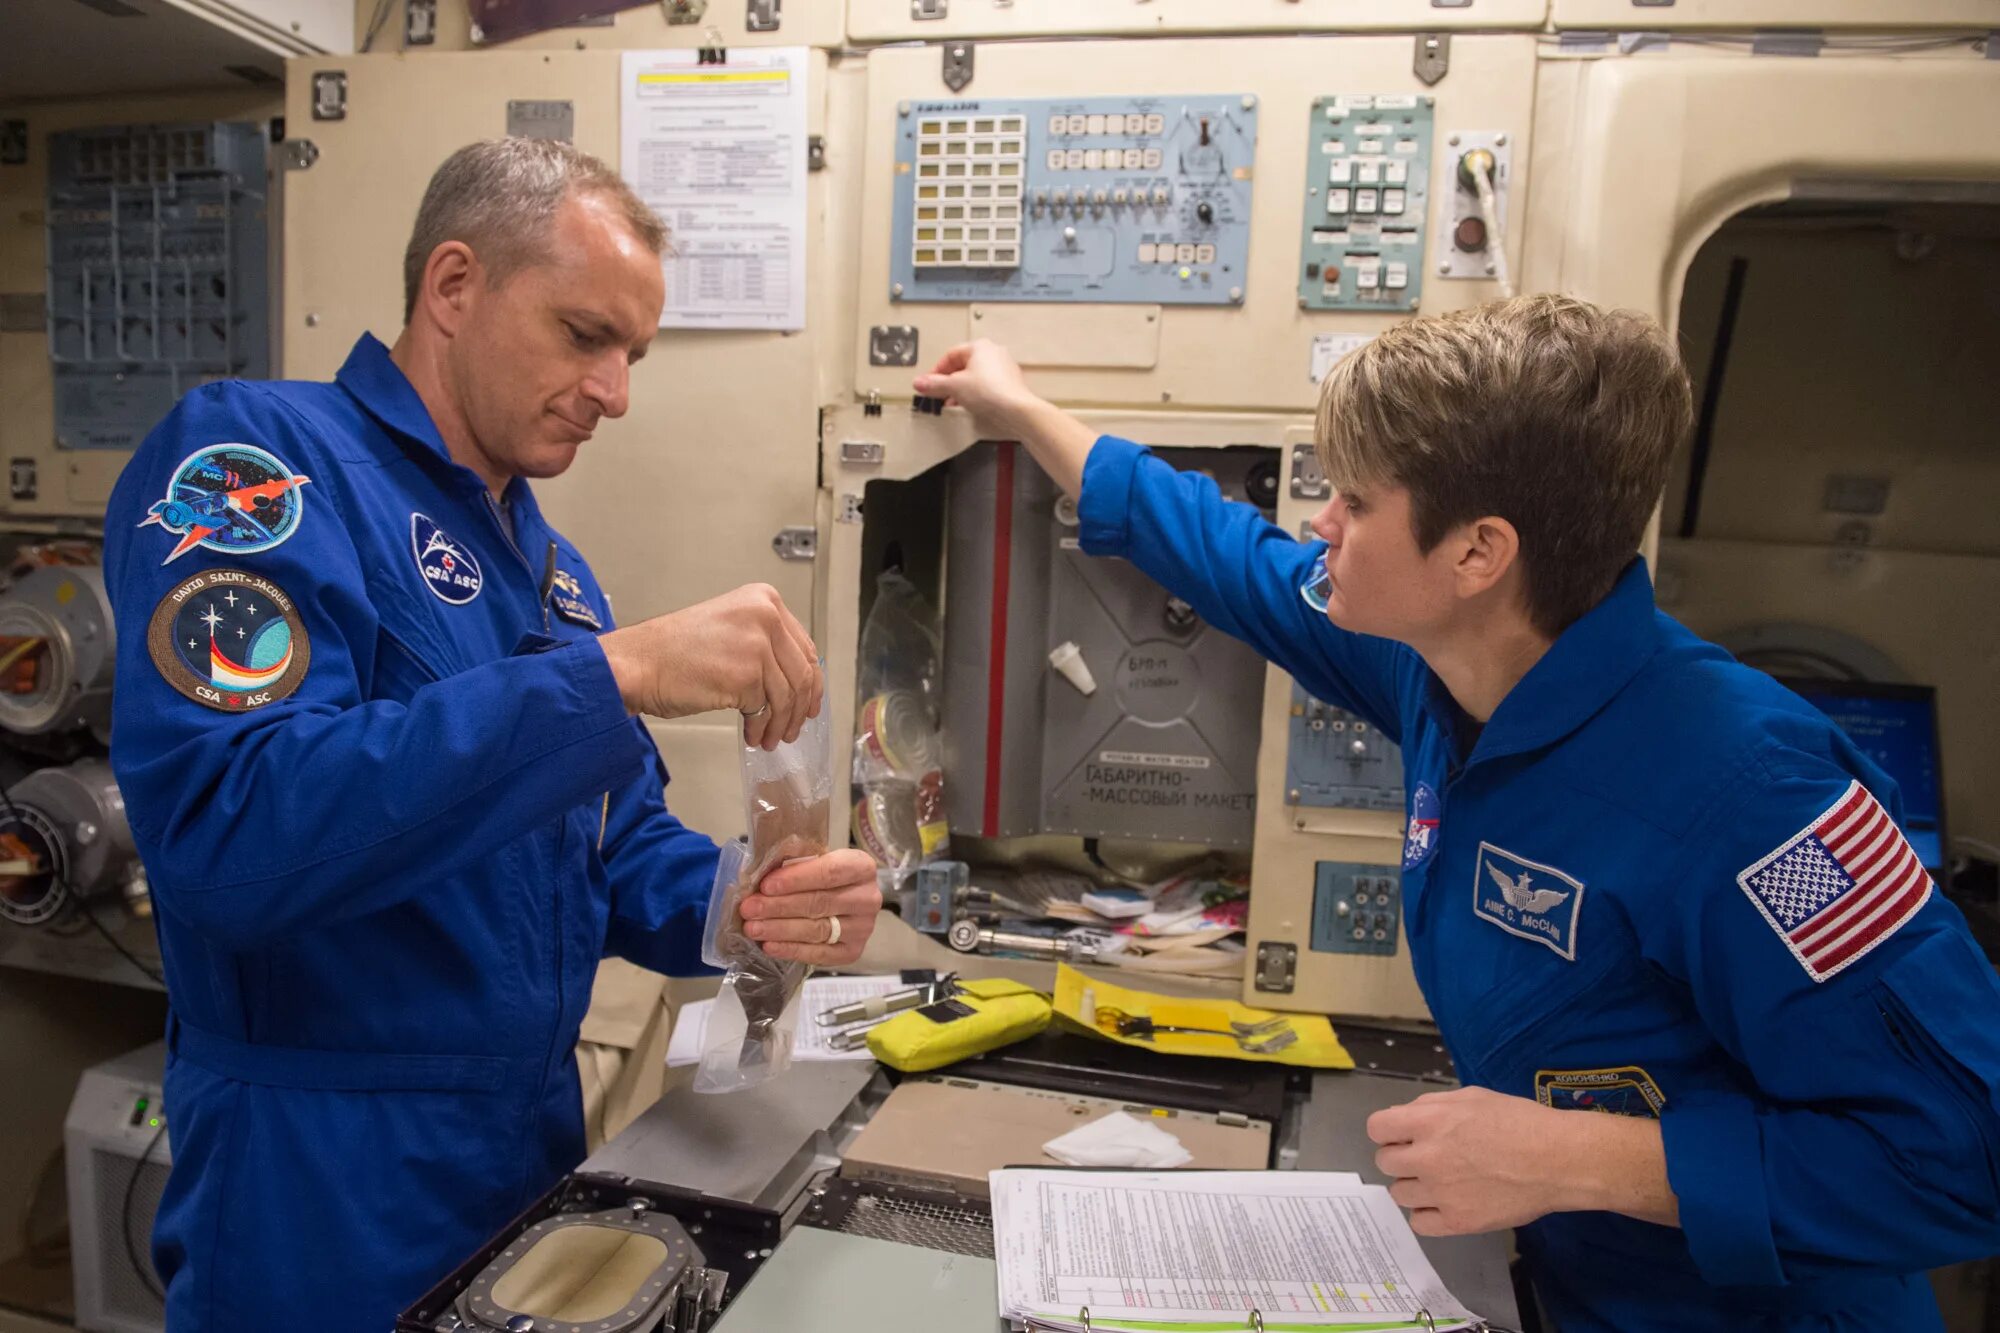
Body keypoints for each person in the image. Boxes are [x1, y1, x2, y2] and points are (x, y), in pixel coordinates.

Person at [913, 296, 2000, 1332]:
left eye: (1353, 501)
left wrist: (1582, 1159)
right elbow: (1229, 555)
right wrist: (1021, 411)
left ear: (1478, 553)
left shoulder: (1754, 793)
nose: (1318, 522)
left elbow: (1963, 1157)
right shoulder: (1441, 664)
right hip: (1561, 1284)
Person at [103, 138, 881, 1332]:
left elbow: (606, 852)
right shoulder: (262, 468)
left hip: (521, 1151)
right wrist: (612, 674)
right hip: (318, 1173)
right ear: (454, 287)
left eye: (633, 354)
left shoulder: (552, 575)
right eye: (585, 336)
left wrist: (746, 903)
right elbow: (234, 833)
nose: (615, 390)